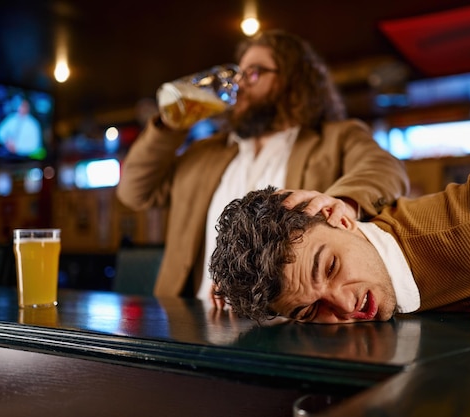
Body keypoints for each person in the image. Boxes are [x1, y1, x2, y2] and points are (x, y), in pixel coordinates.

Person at [210, 126, 470, 416]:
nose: (343, 305)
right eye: (309, 310)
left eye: (331, 266)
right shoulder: (328, 283)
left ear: (340, 217)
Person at [116, 29, 409, 301]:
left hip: (292, 324)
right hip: (198, 318)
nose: (239, 84)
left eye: (254, 73)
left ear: (293, 80)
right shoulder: (203, 153)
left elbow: (385, 169)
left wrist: (342, 203)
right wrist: (169, 126)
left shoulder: (336, 137)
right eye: (239, 74)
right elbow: (134, 192)